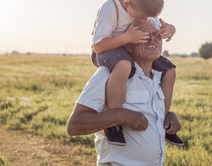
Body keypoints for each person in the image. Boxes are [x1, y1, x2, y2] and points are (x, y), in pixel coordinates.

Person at [67, 19, 182, 166]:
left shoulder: (160, 77)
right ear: (128, 45)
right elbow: (75, 125)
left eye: (157, 35)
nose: (153, 39)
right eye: (145, 35)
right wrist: (122, 116)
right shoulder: (109, 73)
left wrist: (168, 117)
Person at [91, 0, 183, 146]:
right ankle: (114, 122)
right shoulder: (111, 9)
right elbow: (98, 46)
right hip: (107, 48)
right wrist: (127, 37)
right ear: (127, 4)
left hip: (131, 46)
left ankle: (163, 120)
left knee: (170, 70)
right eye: (142, 16)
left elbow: (164, 25)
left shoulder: (144, 8)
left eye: (150, 16)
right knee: (123, 65)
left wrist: (171, 29)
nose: (146, 19)